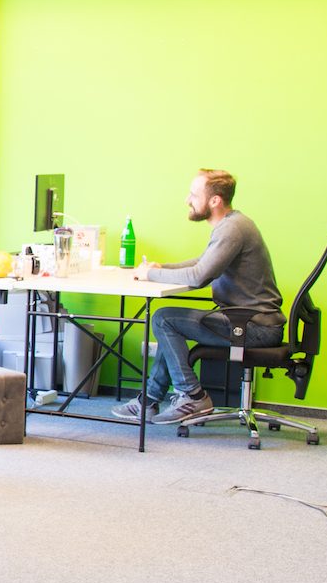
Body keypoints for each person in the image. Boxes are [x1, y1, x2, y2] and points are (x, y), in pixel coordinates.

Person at [114, 169, 284, 425]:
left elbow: (198, 276)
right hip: (248, 321)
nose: (188, 200)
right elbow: (202, 262)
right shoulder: (232, 224)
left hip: (254, 327)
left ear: (214, 200)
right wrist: (161, 268)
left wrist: (151, 274)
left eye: (193, 195)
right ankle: (148, 401)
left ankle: (193, 396)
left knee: (164, 319)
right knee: (170, 322)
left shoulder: (232, 228)